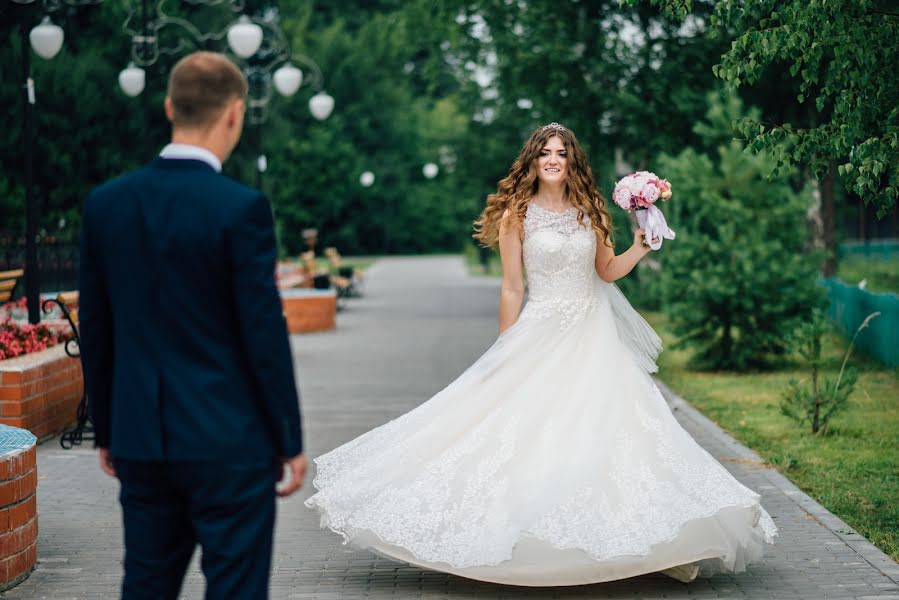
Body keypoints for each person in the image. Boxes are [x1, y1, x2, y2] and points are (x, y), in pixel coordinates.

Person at [304, 122, 776, 586]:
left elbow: (607, 272)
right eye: (545, 153)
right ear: (533, 161)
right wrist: (507, 349)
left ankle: (637, 538)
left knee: (617, 431)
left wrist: (640, 246)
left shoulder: (591, 210)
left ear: (572, 161)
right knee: (524, 432)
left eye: (561, 153)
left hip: (594, 336)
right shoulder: (517, 214)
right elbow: (513, 287)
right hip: (541, 330)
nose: (553, 160)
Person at [78, 51, 306, 599]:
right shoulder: (240, 208)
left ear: (168, 107)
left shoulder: (106, 205)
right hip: (229, 440)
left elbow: (97, 327)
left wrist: (107, 429)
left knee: (147, 584)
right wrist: (288, 439)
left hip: (142, 438)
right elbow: (261, 332)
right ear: (234, 113)